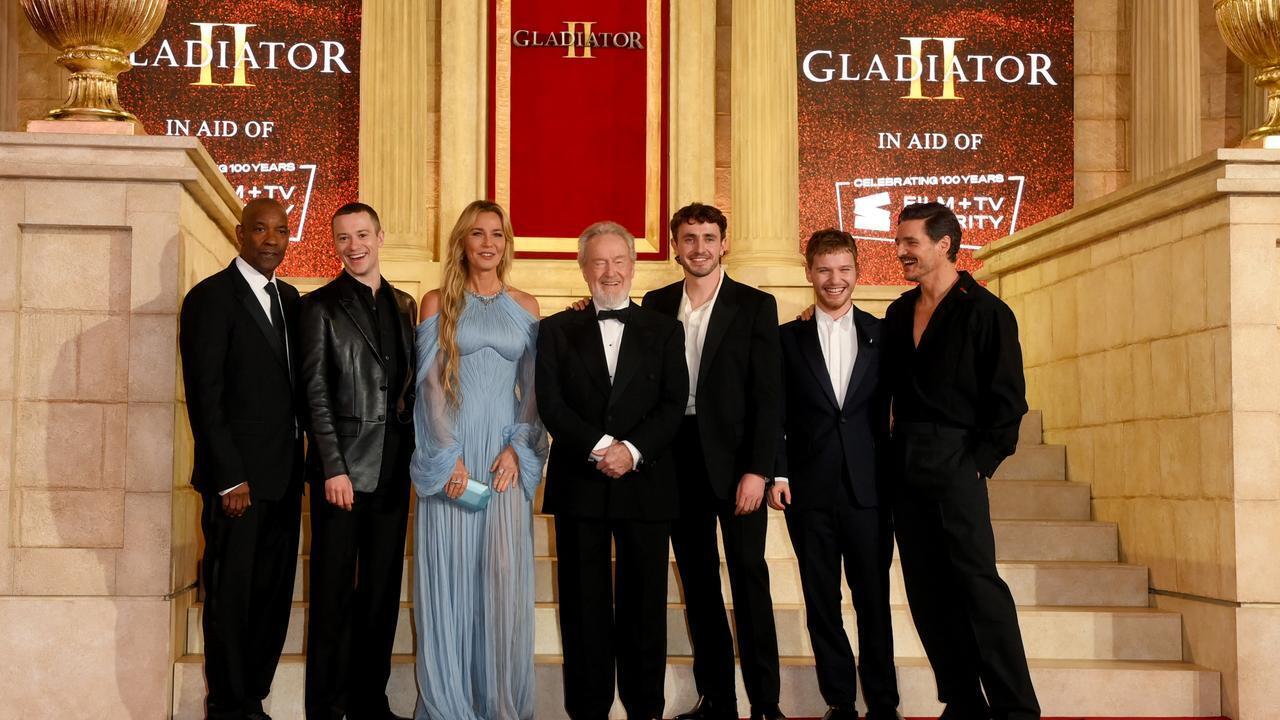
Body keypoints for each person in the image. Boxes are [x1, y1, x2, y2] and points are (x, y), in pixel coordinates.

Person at [882, 202, 1039, 720]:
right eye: (899, 241)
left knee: (977, 586)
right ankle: (963, 700)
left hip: (956, 459)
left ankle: (1015, 707)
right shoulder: (899, 312)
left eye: (910, 242)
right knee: (925, 590)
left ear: (944, 244)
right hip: (904, 458)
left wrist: (978, 463)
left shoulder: (987, 311)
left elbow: (1008, 400)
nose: (900, 251)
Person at [536, 221, 689, 720]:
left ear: (633, 265)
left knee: (646, 607)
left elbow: (672, 404)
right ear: (583, 269)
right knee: (583, 608)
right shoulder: (556, 329)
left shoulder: (666, 329)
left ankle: (646, 709)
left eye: (618, 261)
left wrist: (632, 450)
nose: (609, 272)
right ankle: (588, 709)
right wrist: (603, 447)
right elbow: (551, 404)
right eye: (598, 262)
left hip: (646, 484)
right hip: (582, 482)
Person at [641, 203, 785, 720]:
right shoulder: (654, 304)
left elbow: (770, 397)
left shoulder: (754, 305)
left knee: (749, 577)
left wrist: (758, 469)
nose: (699, 247)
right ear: (676, 245)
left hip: (736, 463)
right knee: (698, 583)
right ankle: (717, 699)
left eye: (708, 237)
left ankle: (766, 703)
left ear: (725, 242)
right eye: (688, 238)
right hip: (676, 459)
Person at [409, 200, 546, 720]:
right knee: (451, 576)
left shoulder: (527, 306)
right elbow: (429, 386)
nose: (488, 243)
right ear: (461, 243)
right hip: (456, 454)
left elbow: (535, 390)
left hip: (505, 456)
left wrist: (518, 445)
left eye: (497, 234)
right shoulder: (435, 302)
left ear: (506, 243)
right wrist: (449, 457)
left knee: (502, 579)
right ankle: (449, 705)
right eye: (477, 234)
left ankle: (498, 703)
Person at [179, 197, 303, 720]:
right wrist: (230, 479)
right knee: (231, 597)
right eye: (260, 230)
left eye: (280, 230)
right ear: (239, 233)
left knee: (273, 597)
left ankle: (252, 696)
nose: (271, 240)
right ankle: (226, 705)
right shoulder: (210, 298)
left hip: (284, 478)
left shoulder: (293, 299)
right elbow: (205, 395)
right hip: (238, 485)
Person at [769, 230, 900, 720]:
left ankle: (884, 704)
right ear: (809, 272)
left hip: (870, 490)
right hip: (809, 490)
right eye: (824, 269)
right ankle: (840, 701)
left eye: (844, 269)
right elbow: (774, 412)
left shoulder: (884, 334)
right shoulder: (786, 338)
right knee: (820, 601)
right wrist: (777, 473)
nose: (834, 280)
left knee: (873, 601)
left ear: (857, 271)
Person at [300, 202, 417, 720]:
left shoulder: (407, 304)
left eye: (363, 234)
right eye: (344, 238)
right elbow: (315, 392)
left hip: (395, 472)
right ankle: (326, 706)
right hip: (343, 473)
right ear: (336, 243)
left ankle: (371, 701)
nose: (354, 246)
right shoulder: (319, 306)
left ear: (380, 235)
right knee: (331, 596)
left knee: (381, 595)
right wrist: (332, 467)